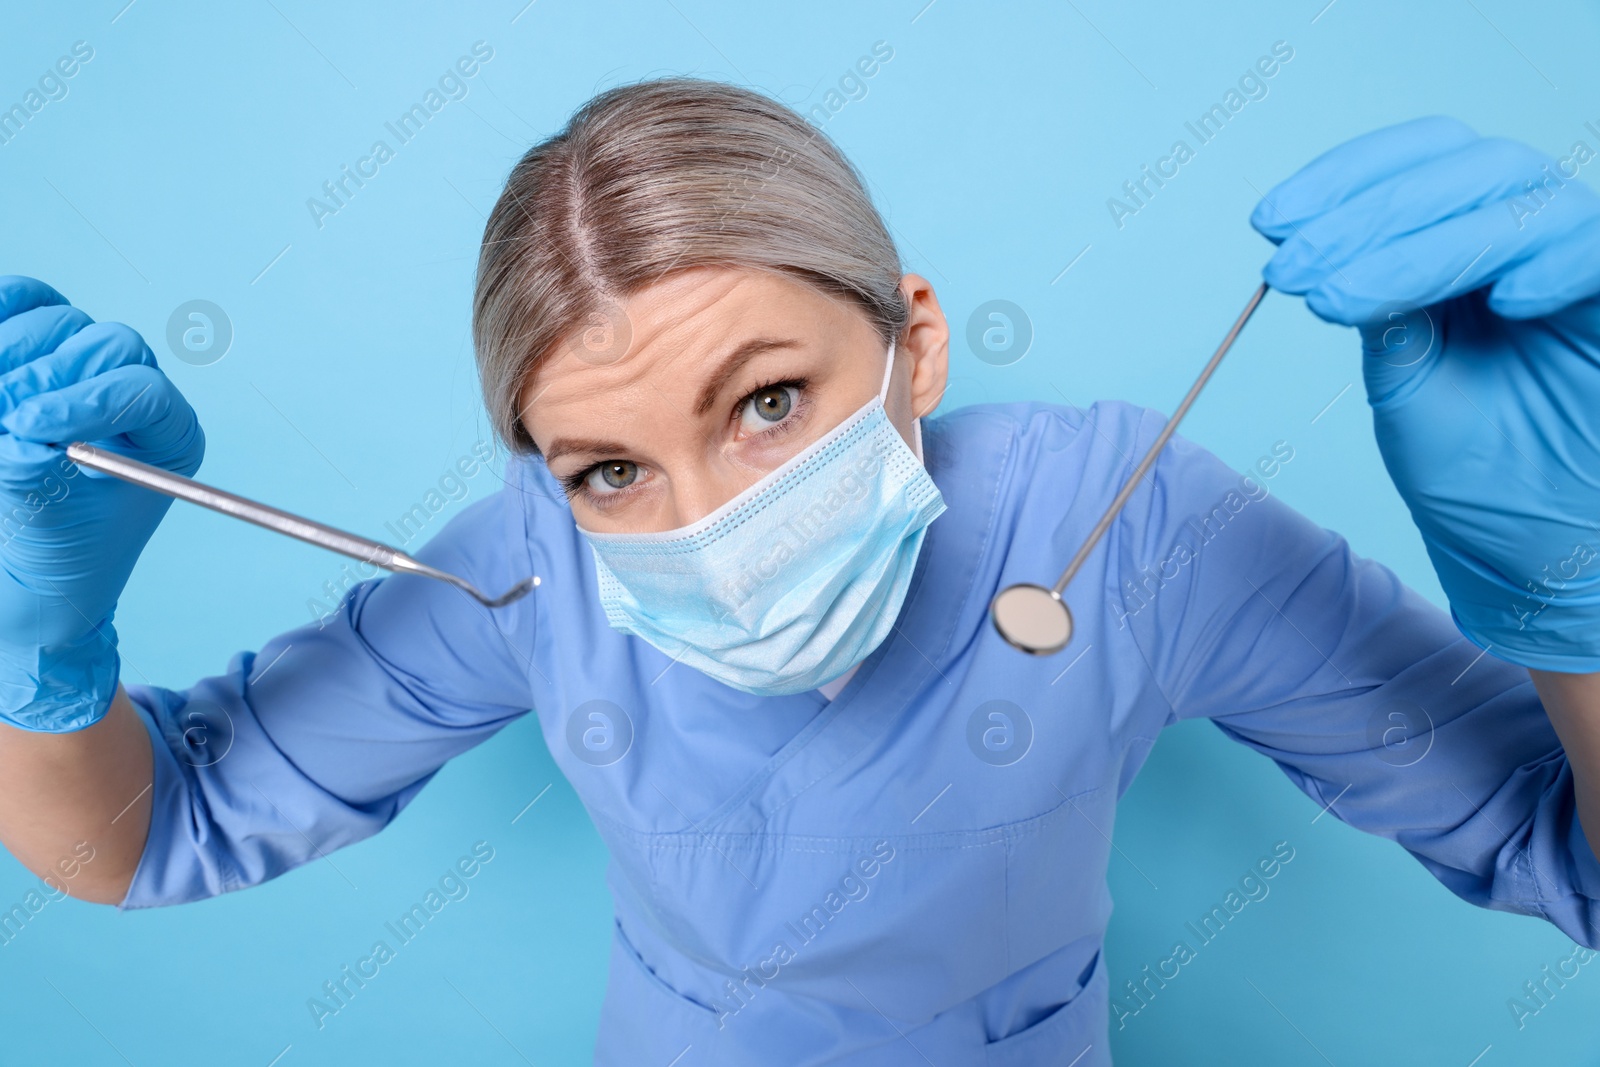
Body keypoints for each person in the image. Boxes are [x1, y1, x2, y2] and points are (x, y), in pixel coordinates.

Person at [1, 78, 1598, 1065]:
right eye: (613, 469)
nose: (710, 526)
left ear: (912, 343)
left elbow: (1563, 850)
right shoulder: (533, 573)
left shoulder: (1128, 526)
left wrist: (1577, 591)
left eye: (769, 402)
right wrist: (37, 648)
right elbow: (145, 844)